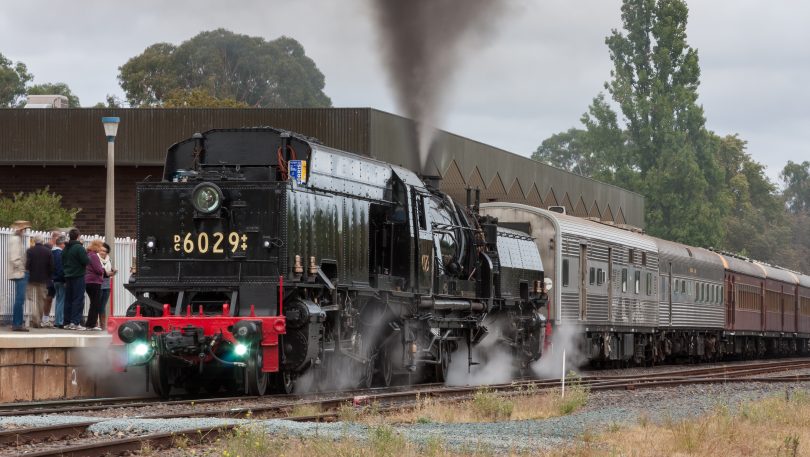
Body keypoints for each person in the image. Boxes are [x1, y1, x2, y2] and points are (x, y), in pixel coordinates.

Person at [62, 228, 88, 330]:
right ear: (78, 236)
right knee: (78, 299)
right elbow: (86, 261)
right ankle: (75, 322)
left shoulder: (66, 248)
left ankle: (67, 322)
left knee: (68, 299)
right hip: (78, 276)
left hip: (68, 276)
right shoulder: (79, 248)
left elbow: (63, 260)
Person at [7, 221, 31, 332]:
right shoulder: (16, 240)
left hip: (19, 272)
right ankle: (17, 324)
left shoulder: (16, 239)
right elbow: (15, 258)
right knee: (20, 299)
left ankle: (17, 323)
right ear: (21, 229)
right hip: (19, 273)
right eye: (24, 229)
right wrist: (22, 269)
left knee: (19, 299)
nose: (25, 231)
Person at [25, 235, 53, 328]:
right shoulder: (48, 251)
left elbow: (27, 264)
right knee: (41, 300)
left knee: (32, 299)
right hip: (43, 279)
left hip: (31, 278)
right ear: (43, 241)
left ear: (34, 241)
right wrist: (49, 276)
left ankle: (35, 318)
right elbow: (51, 267)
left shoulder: (30, 251)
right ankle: (39, 320)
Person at [84, 239, 105, 331]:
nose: (101, 249)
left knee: (93, 303)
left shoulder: (88, 254)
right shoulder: (94, 256)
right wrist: (103, 270)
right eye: (100, 246)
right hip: (94, 281)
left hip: (88, 281)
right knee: (95, 303)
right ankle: (91, 324)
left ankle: (90, 323)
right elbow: (98, 270)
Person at [42, 230, 63, 327]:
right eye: (59, 237)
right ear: (54, 238)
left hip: (54, 277)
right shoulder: (48, 247)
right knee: (49, 298)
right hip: (50, 277)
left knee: (54, 298)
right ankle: (45, 318)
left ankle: (50, 318)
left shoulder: (58, 249)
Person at [98, 242, 117, 330]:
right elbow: (101, 272)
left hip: (106, 285)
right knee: (96, 304)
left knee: (103, 305)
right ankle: (95, 323)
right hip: (98, 284)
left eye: (104, 251)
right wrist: (106, 273)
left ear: (107, 252)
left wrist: (113, 272)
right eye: (101, 250)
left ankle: (102, 325)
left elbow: (109, 272)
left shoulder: (109, 260)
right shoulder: (96, 258)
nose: (102, 252)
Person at [51, 236, 67, 328]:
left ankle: (57, 320)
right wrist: (65, 279)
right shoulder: (59, 253)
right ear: (61, 244)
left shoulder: (52, 252)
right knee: (61, 301)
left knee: (58, 300)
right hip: (60, 279)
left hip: (55, 279)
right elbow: (61, 268)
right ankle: (60, 321)